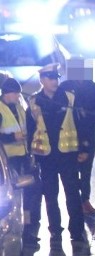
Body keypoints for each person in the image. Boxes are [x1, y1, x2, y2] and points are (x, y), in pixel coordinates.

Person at [25, 63, 87, 249]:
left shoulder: (69, 98)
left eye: (56, 77)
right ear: (42, 80)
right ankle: (55, 231)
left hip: (68, 155)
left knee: (72, 194)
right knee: (51, 195)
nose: (55, 81)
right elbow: (30, 129)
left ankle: (76, 231)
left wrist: (84, 149)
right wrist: (31, 154)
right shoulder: (34, 102)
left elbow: (81, 124)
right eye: (51, 78)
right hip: (46, 157)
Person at [61, 56, 95, 216]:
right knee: (72, 172)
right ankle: (75, 202)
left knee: (86, 170)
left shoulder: (91, 87)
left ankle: (85, 200)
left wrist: (88, 116)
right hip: (69, 136)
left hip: (88, 133)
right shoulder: (64, 87)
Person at [0, 76, 40, 245]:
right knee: (13, 197)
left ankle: (29, 229)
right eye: (15, 94)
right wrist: (12, 137)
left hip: (24, 157)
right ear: (7, 94)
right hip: (7, 160)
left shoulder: (19, 107)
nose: (18, 97)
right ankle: (15, 231)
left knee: (30, 194)